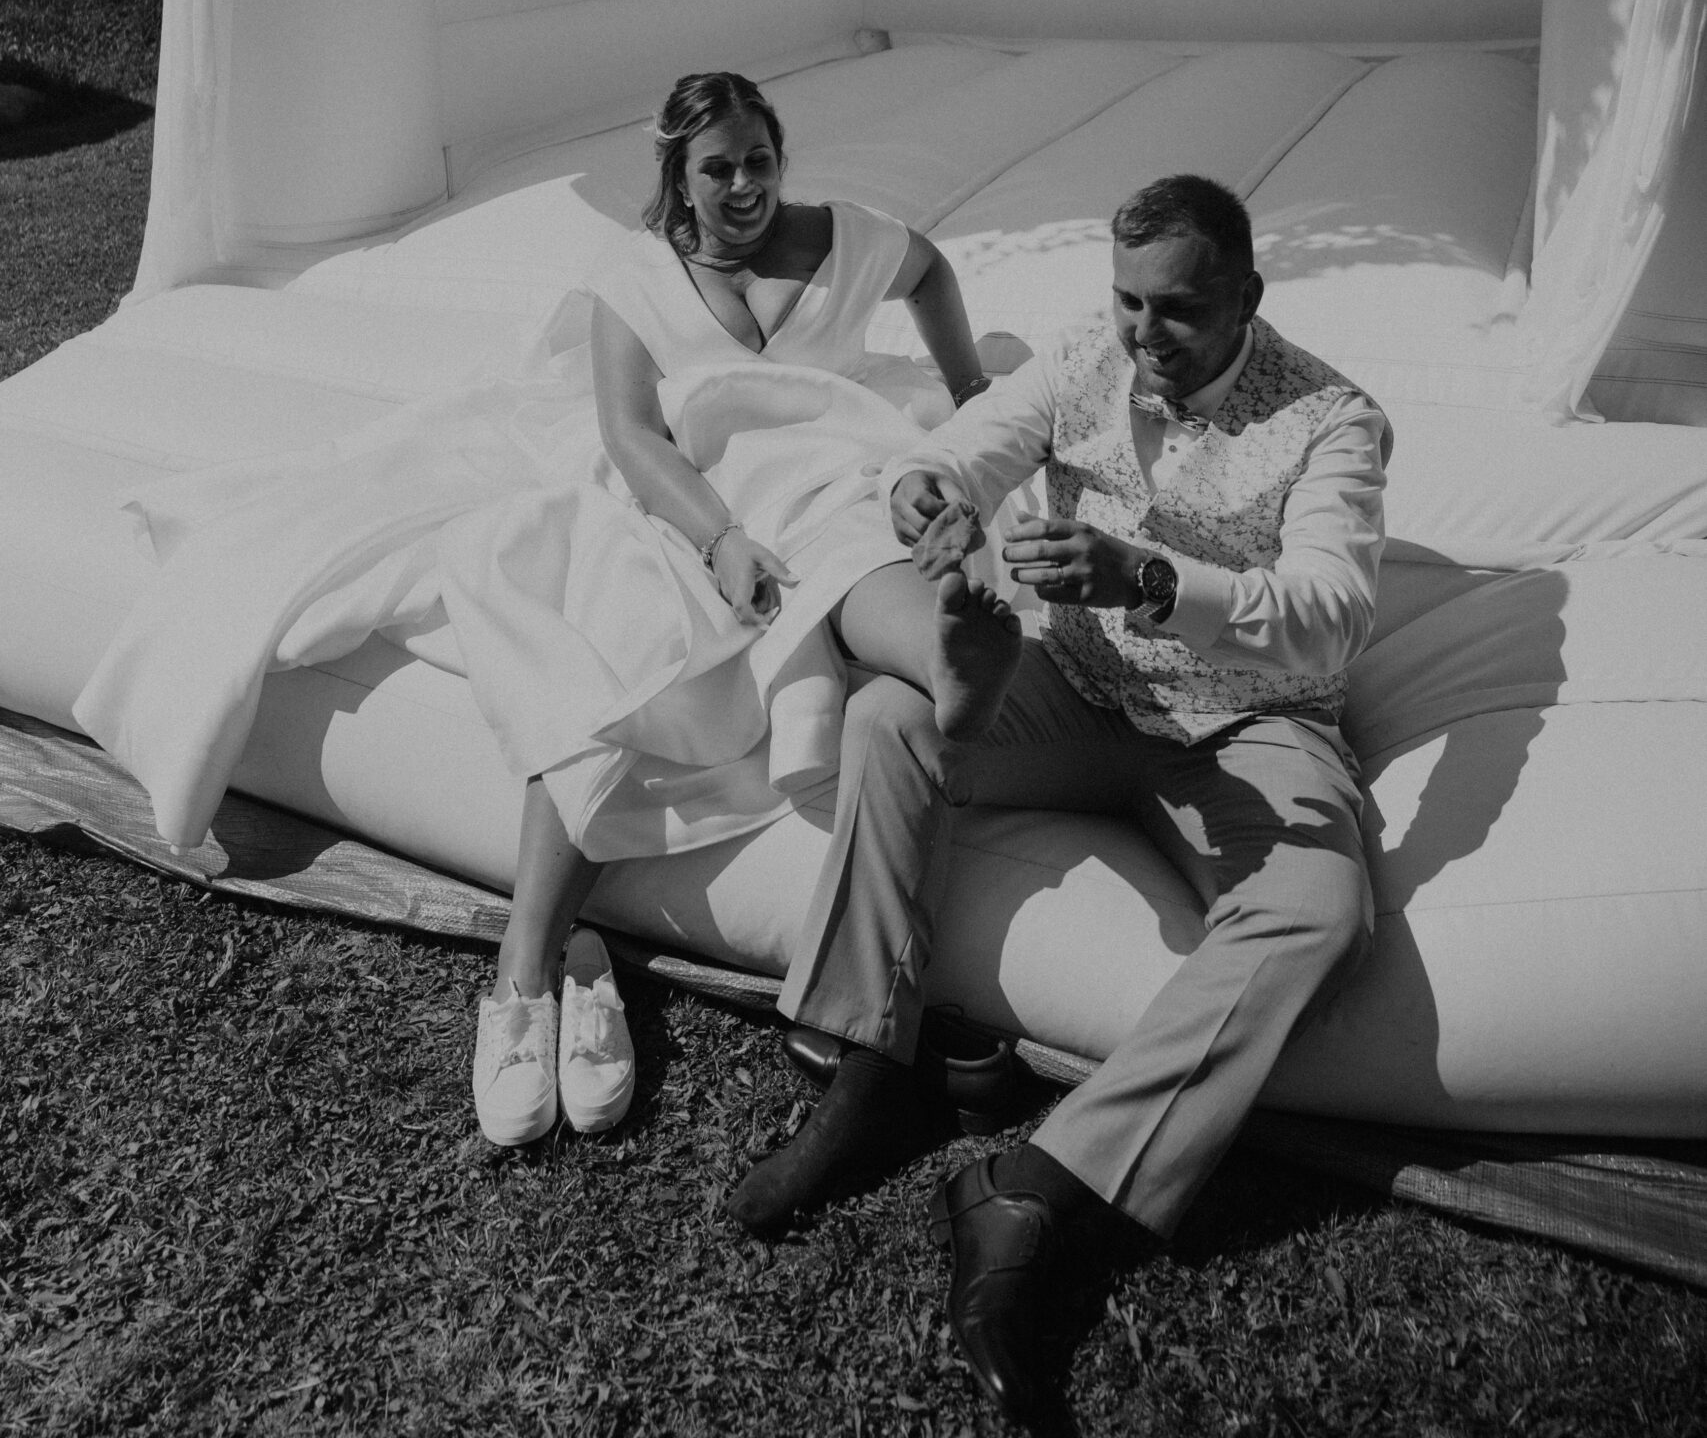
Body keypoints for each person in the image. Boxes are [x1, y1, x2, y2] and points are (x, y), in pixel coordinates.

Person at [727, 174, 1390, 1430]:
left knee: (1320, 906)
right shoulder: (1088, 356)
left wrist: (1149, 575)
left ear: (1248, 294)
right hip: (1081, 692)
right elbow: (958, 447)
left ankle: (1036, 1185)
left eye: (1177, 308)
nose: (1145, 333)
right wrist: (930, 494)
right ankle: (871, 1071)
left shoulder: (1332, 419)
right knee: (887, 718)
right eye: (1129, 301)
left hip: (1248, 724)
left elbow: (1334, 610)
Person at [473, 71, 1025, 1148]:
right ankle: (521, 980)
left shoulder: (843, 235)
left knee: (854, 548)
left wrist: (968, 395)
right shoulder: (633, 276)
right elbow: (632, 434)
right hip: (695, 496)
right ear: (677, 175)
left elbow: (929, 266)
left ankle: (946, 654)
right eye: (717, 168)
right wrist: (719, 536)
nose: (743, 186)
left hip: (829, 460)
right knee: (627, 643)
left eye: (759, 161)